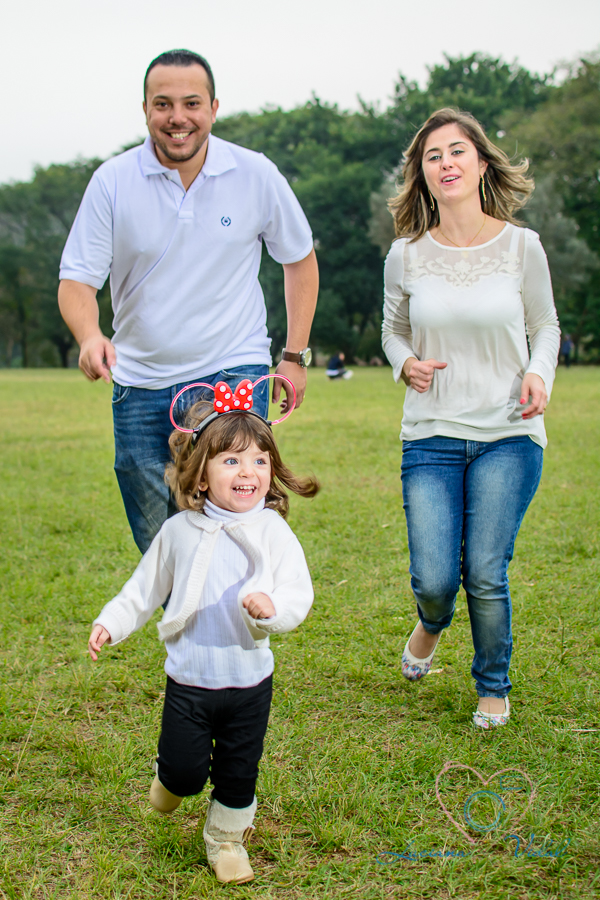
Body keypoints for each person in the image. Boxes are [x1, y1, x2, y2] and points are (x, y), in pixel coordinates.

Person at [58, 49, 318, 554]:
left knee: (234, 523)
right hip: (141, 383)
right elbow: (76, 280)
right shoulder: (112, 181)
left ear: (214, 108)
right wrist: (89, 336)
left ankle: (245, 603)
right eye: (163, 104)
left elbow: (300, 260)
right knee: (161, 544)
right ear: (145, 110)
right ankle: (186, 603)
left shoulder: (255, 173)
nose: (178, 117)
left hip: (232, 370)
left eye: (192, 103)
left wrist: (294, 356)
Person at [87, 384, 319, 884]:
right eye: (231, 461)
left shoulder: (274, 532)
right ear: (200, 473)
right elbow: (144, 588)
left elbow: (298, 593)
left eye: (259, 461)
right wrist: (112, 621)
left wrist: (271, 611)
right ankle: (170, 780)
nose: (248, 472)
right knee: (185, 772)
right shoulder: (179, 531)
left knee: (239, 769)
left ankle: (227, 840)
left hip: (250, 681)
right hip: (190, 680)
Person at [382, 108, 560, 729]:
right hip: (430, 435)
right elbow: (393, 330)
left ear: (481, 163)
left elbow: (545, 324)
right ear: (422, 174)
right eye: (433, 156)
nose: (446, 163)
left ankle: (492, 685)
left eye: (457, 151)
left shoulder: (522, 246)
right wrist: (405, 363)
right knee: (435, 579)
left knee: (484, 569)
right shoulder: (405, 255)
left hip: (509, 432)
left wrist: (539, 373)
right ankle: (432, 621)